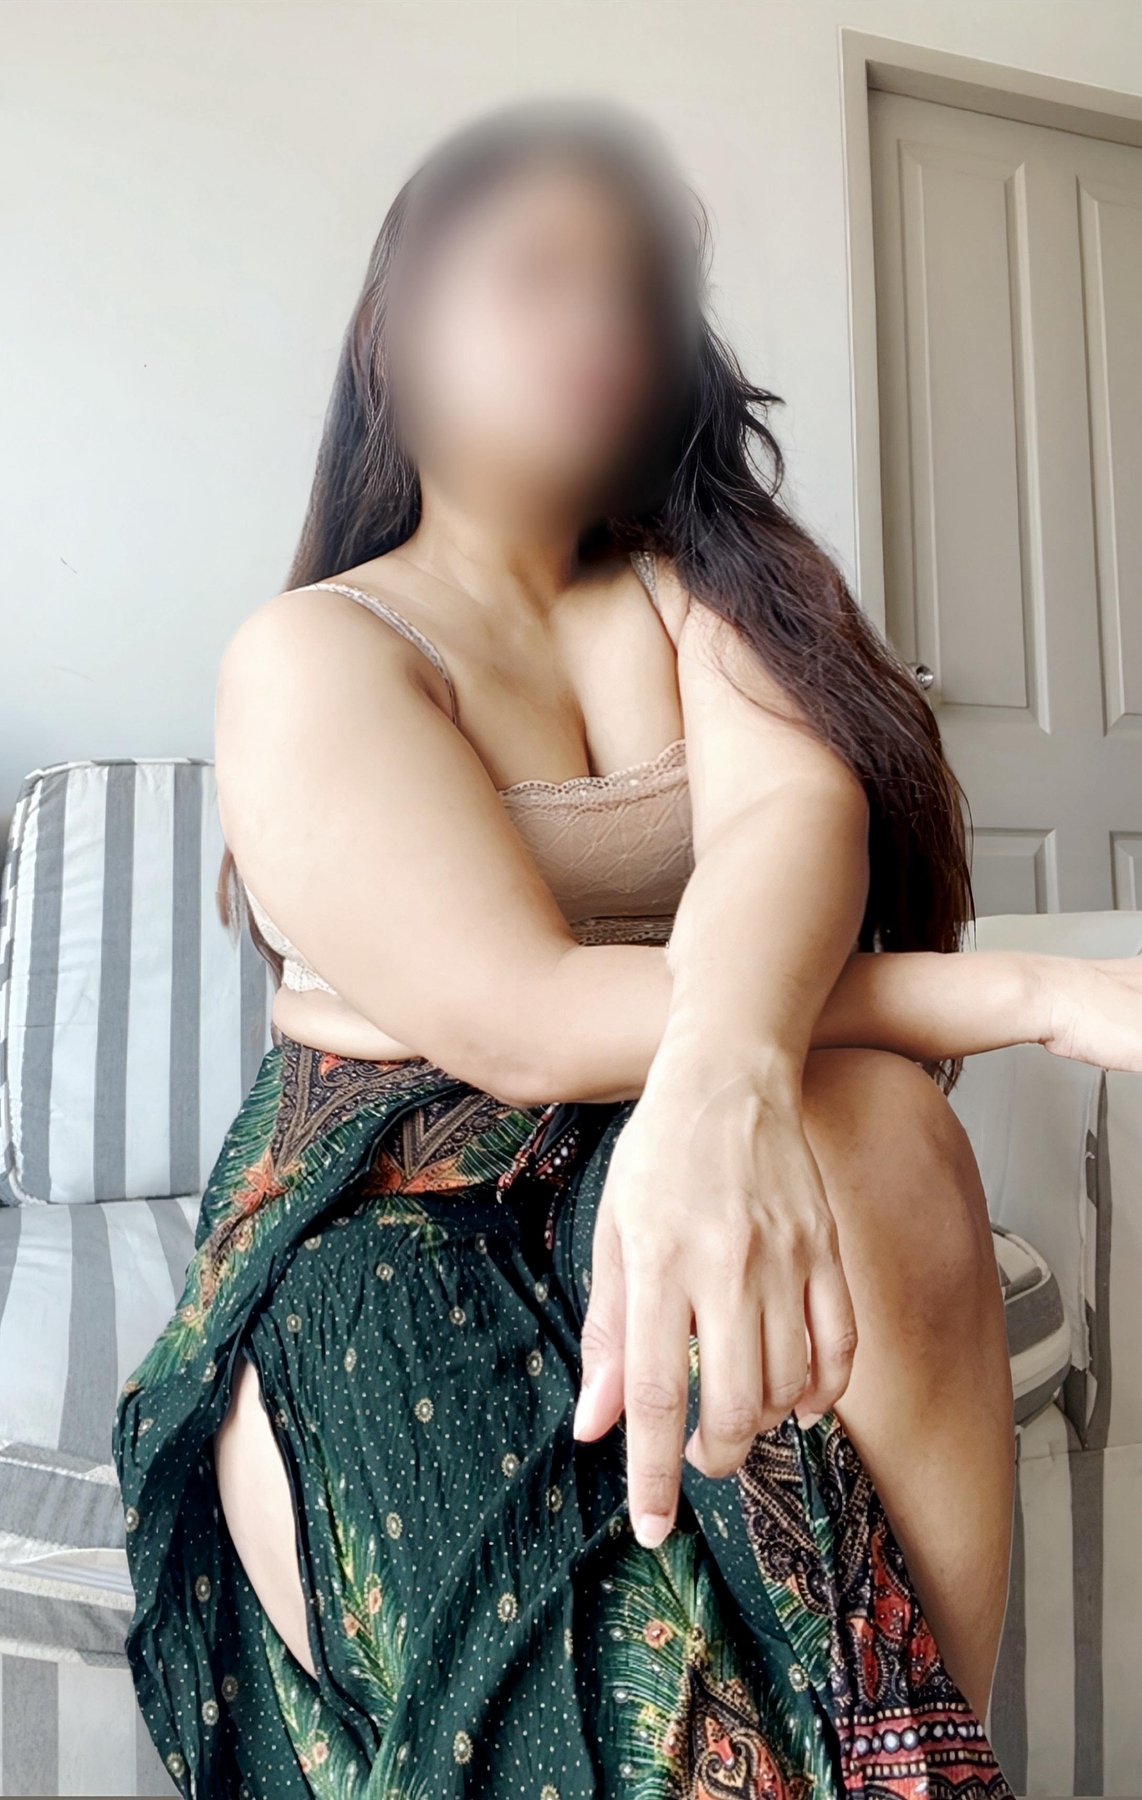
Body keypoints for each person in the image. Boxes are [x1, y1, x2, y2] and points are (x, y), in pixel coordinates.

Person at [112, 97, 1142, 1800]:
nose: (600, 318)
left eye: (638, 288)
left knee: (881, 1125)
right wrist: (1025, 993)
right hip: (396, 1182)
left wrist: (721, 1089)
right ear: (395, 339)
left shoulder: (707, 588)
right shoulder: (317, 651)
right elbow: (521, 1017)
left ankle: (921, 1766)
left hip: (692, 1103)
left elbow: (785, 830)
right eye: (536, 273)